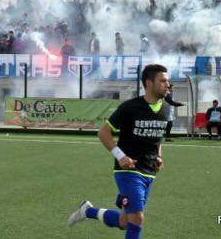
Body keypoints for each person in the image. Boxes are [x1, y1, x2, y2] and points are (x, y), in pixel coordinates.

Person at [67, 64, 171, 239]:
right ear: (149, 83)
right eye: (163, 81)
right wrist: (120, 156)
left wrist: (159, 155)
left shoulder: (166, 109)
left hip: (149, 172)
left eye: (168, 81)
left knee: (125, 222)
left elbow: (157, 137)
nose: (167, 85)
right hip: (128, 171)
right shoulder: (130, 107)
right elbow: (103, 132)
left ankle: (88, 211)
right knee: (137, 218)